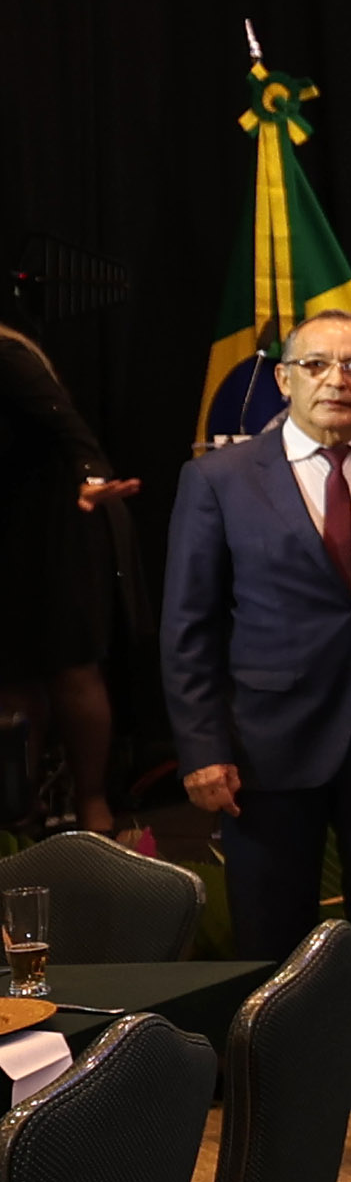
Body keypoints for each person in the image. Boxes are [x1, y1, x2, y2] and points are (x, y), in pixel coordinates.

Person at [161, 312, 351, 1159]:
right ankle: (281, 1114)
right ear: (285, 377)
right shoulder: (219, 479)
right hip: (262, 748)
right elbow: (188, 626)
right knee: (272, 941)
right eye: (318, 364)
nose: (338, 379)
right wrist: (201, 745)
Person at [0, 319, 132, 834]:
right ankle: (17, 813)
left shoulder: (8, 356)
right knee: (10, 675)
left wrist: (92, 477)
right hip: (9, 530)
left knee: (70, 665)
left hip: (60, 525)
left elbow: (68, 427)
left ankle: (94, 806)